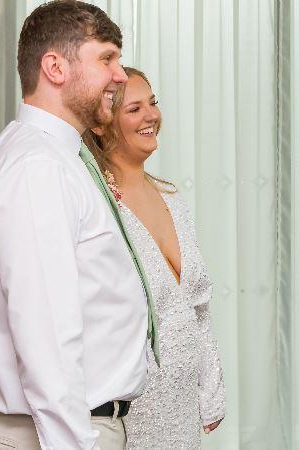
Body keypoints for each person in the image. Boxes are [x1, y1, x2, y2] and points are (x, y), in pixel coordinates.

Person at [0, 2, 151, 449]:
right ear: (54, 66)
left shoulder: (56, 157)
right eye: (106, 58)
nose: (119, 75)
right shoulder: (37, 167)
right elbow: (46, 340)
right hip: (54, 435)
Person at [83, 67, 226, 449]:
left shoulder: (173, 199)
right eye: (134, 109)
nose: (151, 116)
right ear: (100, 124)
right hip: (131, 403)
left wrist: (210, 383)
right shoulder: (95, 206)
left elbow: (199, 306)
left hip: (183, 403)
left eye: (154, 103)